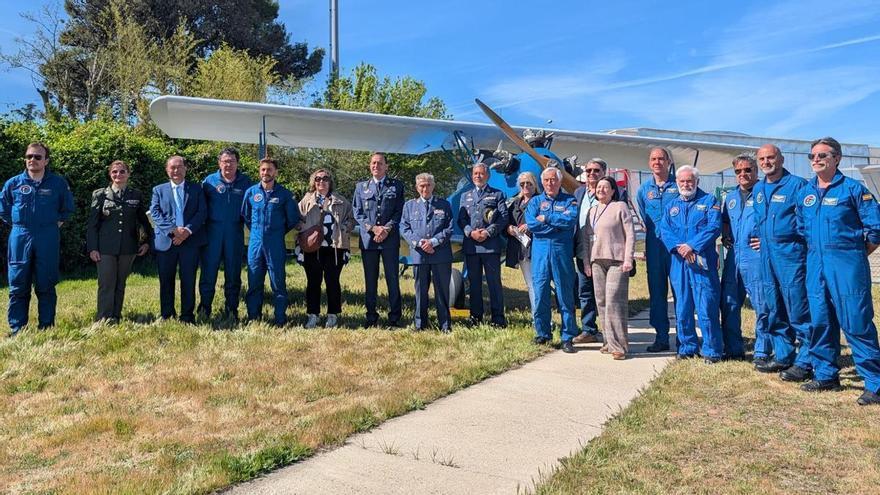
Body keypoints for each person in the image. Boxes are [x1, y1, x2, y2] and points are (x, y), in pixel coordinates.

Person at [796, 137, 880, 405]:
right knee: (820, 320)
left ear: (837, 158)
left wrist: (855, 254)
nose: (816, 160)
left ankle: (874, 383)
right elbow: (801, 228)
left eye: (822, 155)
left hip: (846, 264)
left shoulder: (853, 190)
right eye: (812, 156)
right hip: (815, 263)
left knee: (856, 321)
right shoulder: (806, 193)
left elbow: (875, 229)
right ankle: (826, 375)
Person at [751, 144, 814, 380]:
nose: (766, 162)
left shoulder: (798, 185)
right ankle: (783, 354)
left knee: (797, 307)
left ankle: (806, 360)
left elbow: (807, 221)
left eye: (770, 157)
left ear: (781, 159)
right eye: (762, 159)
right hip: (767, 256)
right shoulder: (758, 188)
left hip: (791, 255)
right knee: (773, 307)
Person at [0, 142, 75, 333]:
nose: (32, 160)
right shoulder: (13, 183)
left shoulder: (58, 183)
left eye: (37, 157)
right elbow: (3, 209)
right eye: (29, 156)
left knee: (46, 282)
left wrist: (53, 225)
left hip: (47, 236)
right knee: (18, 283)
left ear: (46, 161)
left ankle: (46, 327)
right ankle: (18, 329)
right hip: (20, 235)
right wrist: (19, 225)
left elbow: (67, 209)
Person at [659, 165, 724, 363]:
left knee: (706, 307)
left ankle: (712, 350)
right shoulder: (671, 206)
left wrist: (692, 246)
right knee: (683, 307)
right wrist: (679, 248)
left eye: (690, 181)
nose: (686, 184)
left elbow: (714, 227)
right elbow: (664, 230)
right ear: (677, 183)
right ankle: (687, 347)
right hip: (679, 262)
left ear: (697, 182)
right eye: (682, 181)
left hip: (701, 261)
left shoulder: (709, 201)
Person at [86, 160, 153, 323]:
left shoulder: (135, 195)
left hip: (128, 247)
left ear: (128, 174)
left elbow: (144, 221)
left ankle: (116, 316)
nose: (118, 174)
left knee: (120, 283)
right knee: (106, 283)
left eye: (122, 171)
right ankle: (103, 318)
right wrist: (92, 248)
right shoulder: (100, 195)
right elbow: (92, 225)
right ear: (110, 174)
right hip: (105, 248)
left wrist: (146, 242)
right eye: (114, 171)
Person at [719, 154, 768, 362]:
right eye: (738, 171)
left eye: (748, 170)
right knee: (728, 302)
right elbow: (724, 221)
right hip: (734, 257)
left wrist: (766, 240)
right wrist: (725, 235)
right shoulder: (730, 197)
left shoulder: (764, 192)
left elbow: (777, 221)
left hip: (756, 256)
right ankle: (733, 349)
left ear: (756, 171)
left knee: (762, 304)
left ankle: (762, 351)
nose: (743, 174)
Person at [526, 167, 580, 352]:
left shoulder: (569, 200)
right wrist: (555, 224)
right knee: (540, 292)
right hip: (540, 252)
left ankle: (568, 336)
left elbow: (569, 221)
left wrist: (547, 217)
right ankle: (543, 333)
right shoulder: (535, 202)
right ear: (542, 182)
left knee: (565, 294)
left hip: (561, 252)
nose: (550, 183)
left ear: (559, 181)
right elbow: (532, 224)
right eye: (547, 180)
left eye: (553, 180)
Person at [242, 158, 301, 326]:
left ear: (276, 172)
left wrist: (276, 232)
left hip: (275, 243)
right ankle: (254, 317)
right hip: (255, 243)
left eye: (269, 170)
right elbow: (246, 216)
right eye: (263, 169)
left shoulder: (284, 194)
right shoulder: (251, 192)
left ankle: (280, 319)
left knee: (278, 282)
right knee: (254, 281)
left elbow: (292, 218)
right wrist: (258, 232)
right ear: (259, 171)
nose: (265, 173)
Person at [581, 176, 635, 359]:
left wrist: (628, 259)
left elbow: (630, 234)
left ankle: (619, 346)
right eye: (599, 187)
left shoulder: (620, 207)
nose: (601, 190)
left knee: (614, 302)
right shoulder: (592, 211)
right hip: (597, 261)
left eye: (605, 187)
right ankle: (608, 341)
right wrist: (587, 262)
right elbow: (586, 239)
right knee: (602, 302)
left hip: (616, 261)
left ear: (613, 191)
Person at [150, 155, 208, 324]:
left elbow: (202, 212)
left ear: (185, 169)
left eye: (179, 167)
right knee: (166, 280)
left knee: (188, 280)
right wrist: (173, 231)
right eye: (172, 167)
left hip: (190, 241)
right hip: (166, 242)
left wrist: (186, 231)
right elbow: (155, 213)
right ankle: (167, 315)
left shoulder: (196, 189)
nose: (176, 170)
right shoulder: (158, 190)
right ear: (167, 170)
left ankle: (187, 316)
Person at [198, 148, 253, 321]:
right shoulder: (209, 181)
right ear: (219, 163)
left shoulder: (246, 182)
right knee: (208, 271)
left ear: (237, 163)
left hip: (234, 232)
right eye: (225, 161)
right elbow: (199, 207)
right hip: (212, 232)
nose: (228, 164)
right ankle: (204, 307)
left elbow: (251, 208)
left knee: (233, 272)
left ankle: (231, 309)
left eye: (232, 161)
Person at [352, 152, 405, 327]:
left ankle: (394, 317)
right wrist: (373, 228)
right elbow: (357, 212)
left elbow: (399, 211)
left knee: (392, 279)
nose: (376, 166)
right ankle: (371, 317)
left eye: (380, 163)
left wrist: (386, 228)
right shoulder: (361, 187)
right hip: (369, 240)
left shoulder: (397, 186)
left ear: (386, 166)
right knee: (370, 279)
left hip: (390, 240)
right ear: (370, 166)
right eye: (373, 163)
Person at [298, 169, 355, 328]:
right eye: (317, 179)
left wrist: (344, 228)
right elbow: (297, 218)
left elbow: (352, 218)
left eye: (325, 178)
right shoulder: (307, 200)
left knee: (332, 281)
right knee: (313, 282)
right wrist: (304, 229)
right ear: (313, 182)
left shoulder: (341, 201)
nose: (321, 181)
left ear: (330, 182)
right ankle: (313, 315)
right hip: (312, 248)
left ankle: (332, 315)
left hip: (335, 247)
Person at [636, 147, 678, 352]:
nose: (657, 162)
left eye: (661, 159)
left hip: (676, 248)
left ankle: (684, 338)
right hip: (654, 247)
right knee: (657, 293)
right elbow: (644, 216)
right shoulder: (644, 190)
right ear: (649, 162)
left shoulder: (679, 185)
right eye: (653, 159)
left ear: (669, 162)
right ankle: (661, 337)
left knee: (681, 292)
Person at [400, 173, 454, 332]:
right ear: (417, 188)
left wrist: (434, 242)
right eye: (422, 186)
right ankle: (420, 324)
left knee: (442, 291)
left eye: (428, 185)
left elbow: (449, 227)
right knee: (420, 291)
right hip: (419, 254)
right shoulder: (409, 206)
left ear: (433, 186)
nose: (425, 188)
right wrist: (419, 243)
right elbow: (404, 228)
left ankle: (445, 325)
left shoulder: (444, 205)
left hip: (440, 254)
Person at [458, 162, 508, 327]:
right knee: (474, 284)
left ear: (488, 176)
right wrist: (470, 232)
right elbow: (461, 219)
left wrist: (487, 232)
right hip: (472, 246)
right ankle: (475, 317)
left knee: (494, 284)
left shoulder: (497, 194)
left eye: (481, 173)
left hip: (490, 246)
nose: (478, 176)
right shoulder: (465, 196)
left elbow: (503, 218)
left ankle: (498, 319)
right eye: (475, 173)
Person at [572, 158, 605, 344]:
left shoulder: (612, 192)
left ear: (604, 173)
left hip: (604, 250)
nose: (592, 173)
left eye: (596, 170)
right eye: (589, 170)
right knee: (584, 291)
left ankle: (610, 332)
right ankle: (588, 329)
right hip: (582, 249)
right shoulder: (578, 192)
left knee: (605, 293)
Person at [505, 172, 538, 310]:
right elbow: (506, 222)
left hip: (537, 248)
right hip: (521, 249)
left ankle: (541, 317)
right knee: (531, 284)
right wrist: (509, 228)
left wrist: (530, 225)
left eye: (529, 183)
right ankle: (537, 316)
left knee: (538, 284)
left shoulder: (540, 201)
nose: (525, 186)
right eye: (522, 184)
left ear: (534, 184)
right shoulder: (514, 203)